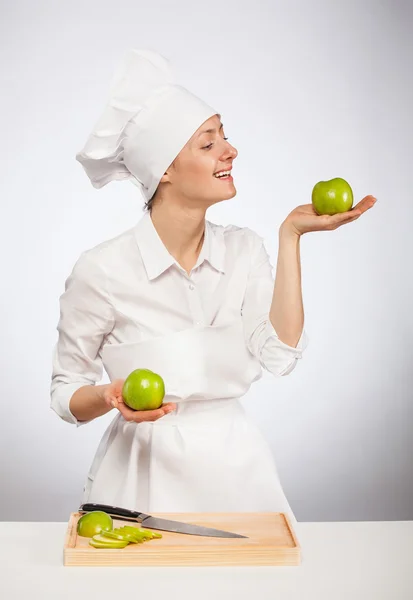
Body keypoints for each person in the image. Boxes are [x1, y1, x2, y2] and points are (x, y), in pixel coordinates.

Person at [50, 49, 376, 530]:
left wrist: (291, 237)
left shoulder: (244, 252)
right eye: (208, 143)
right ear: (163, 169)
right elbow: (65, 394)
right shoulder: (102, 270)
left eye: (225, 136)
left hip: (237, 471)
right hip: (138, 479)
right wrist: (110, 396)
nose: (230, 150)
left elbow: (280, 354)